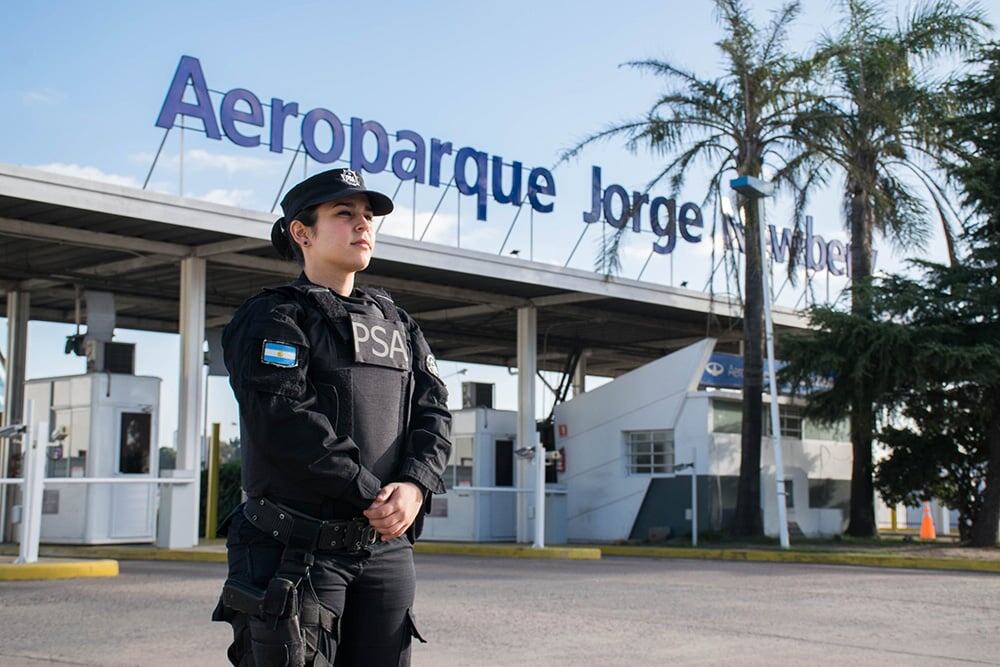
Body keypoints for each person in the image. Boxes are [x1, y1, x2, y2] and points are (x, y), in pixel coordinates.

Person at [211, 167, 452, 666]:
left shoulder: (398, 322)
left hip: (384, 551)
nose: (363, 225)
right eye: (344, 214)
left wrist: (413, 485)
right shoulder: (275, 316)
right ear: (302, 233)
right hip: (295, 550)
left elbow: (434, 411)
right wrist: (372, 495)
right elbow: (284, 418)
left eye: (368, 216)